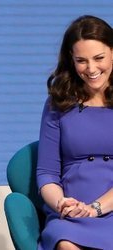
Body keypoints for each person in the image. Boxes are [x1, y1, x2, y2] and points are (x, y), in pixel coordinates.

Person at [37, 15, 113, 249]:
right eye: (81, 60)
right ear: (71, 59)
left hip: (108, 206)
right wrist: (62, 203)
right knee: (65, 242)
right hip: (74, 214)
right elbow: (46, 173)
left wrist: (96, 208)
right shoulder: (58, 103)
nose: (91, 69)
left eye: (99, 58)